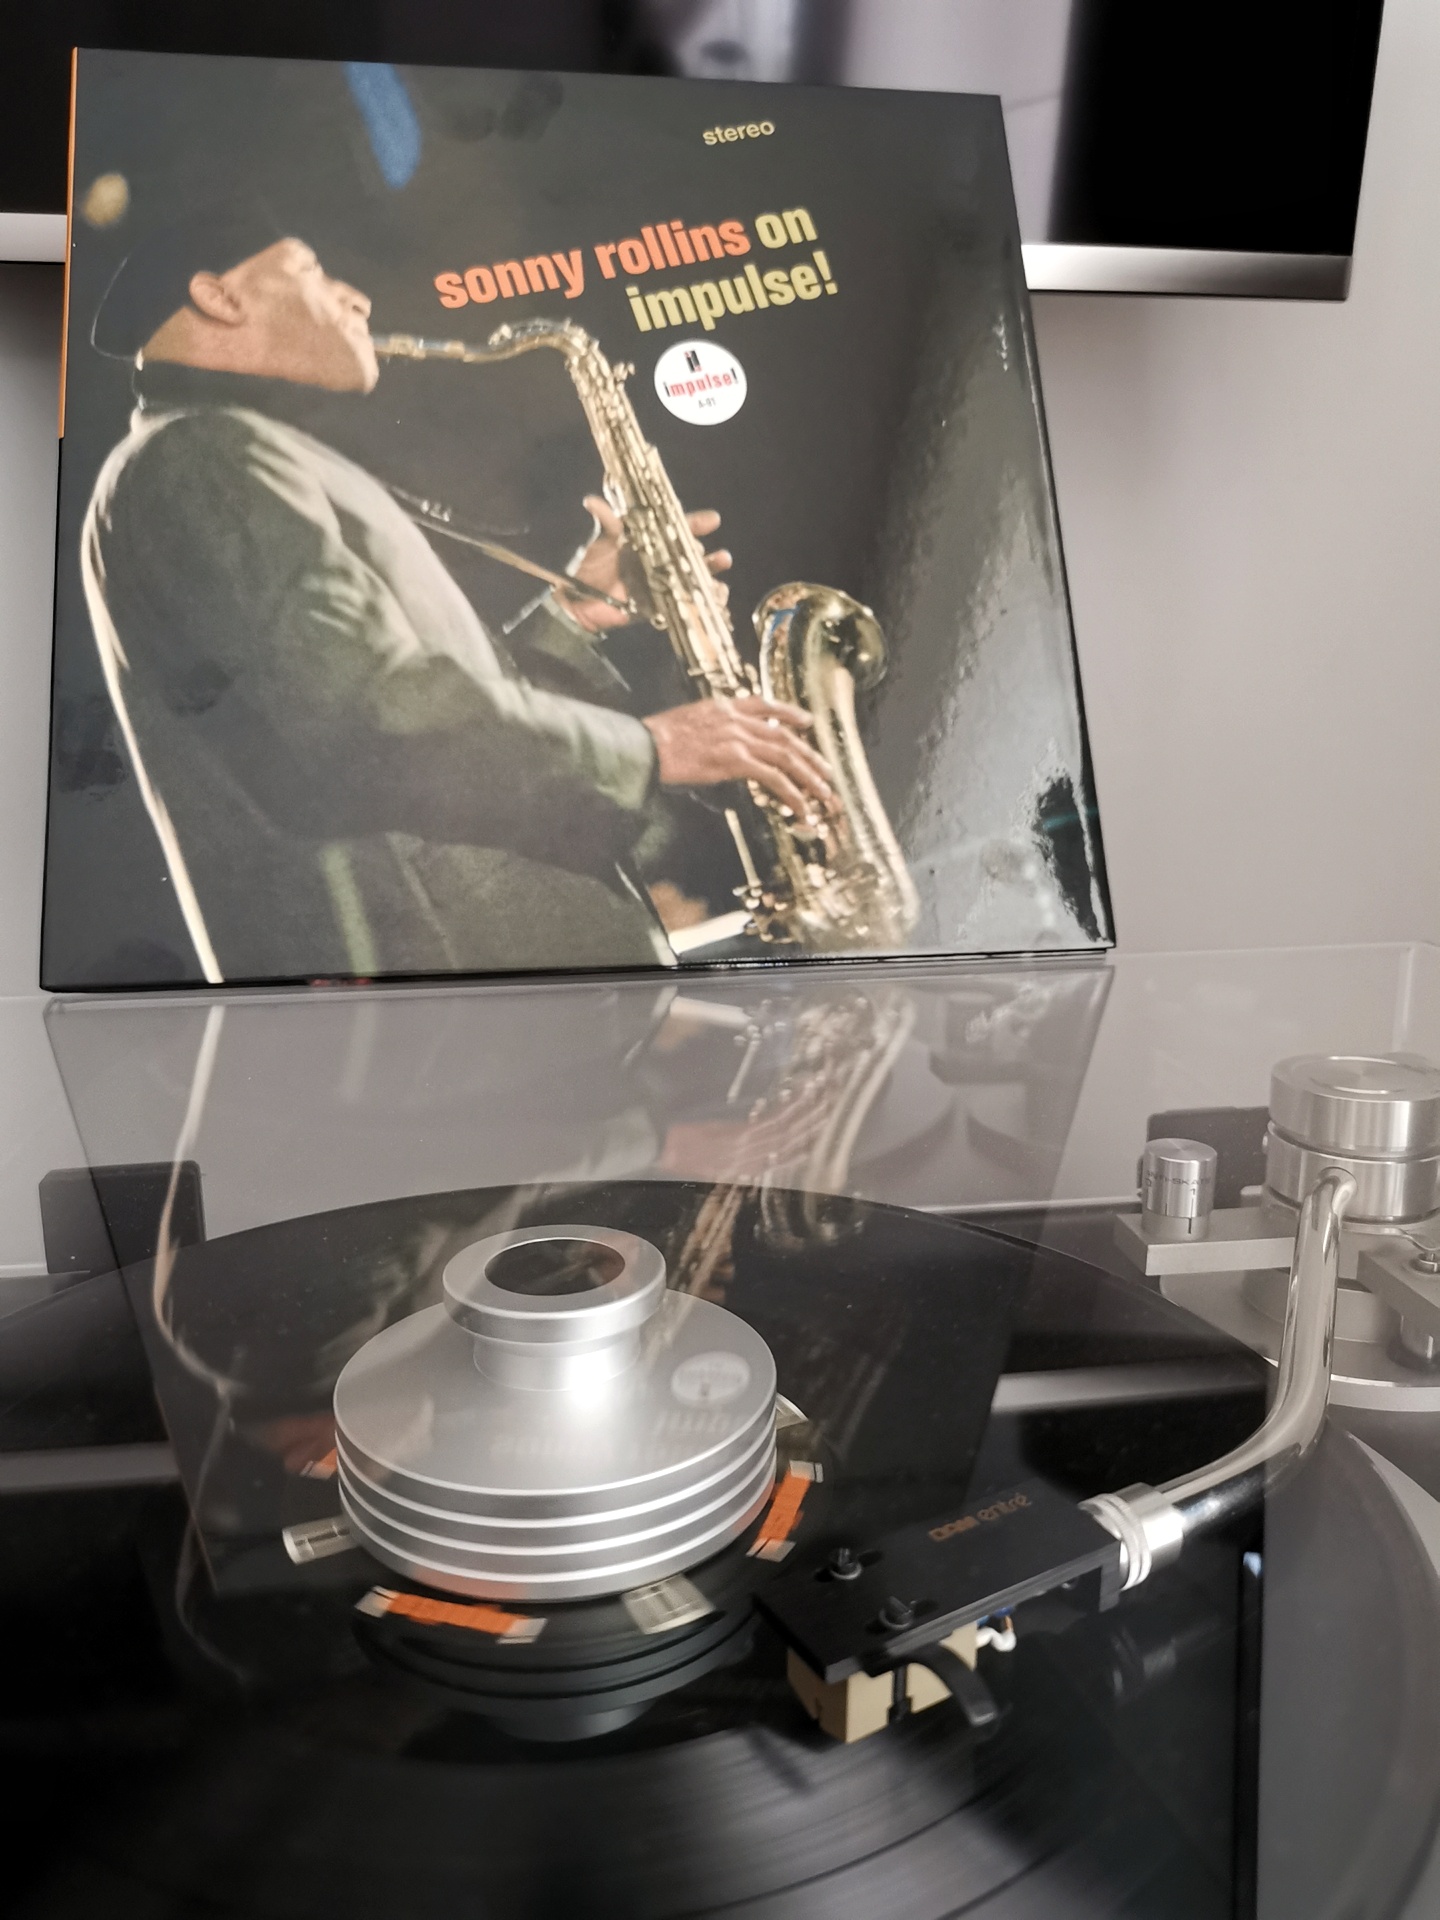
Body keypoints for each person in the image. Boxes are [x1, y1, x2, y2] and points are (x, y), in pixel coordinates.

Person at [81, 221, 834, 982]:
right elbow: (368, 716)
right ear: (218, 296)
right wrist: (653, 749)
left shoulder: (223, 449)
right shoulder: (204, 455)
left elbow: (403, 708)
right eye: (312, 270)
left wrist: (571, 617)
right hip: (465, 1006)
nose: (356, 298)